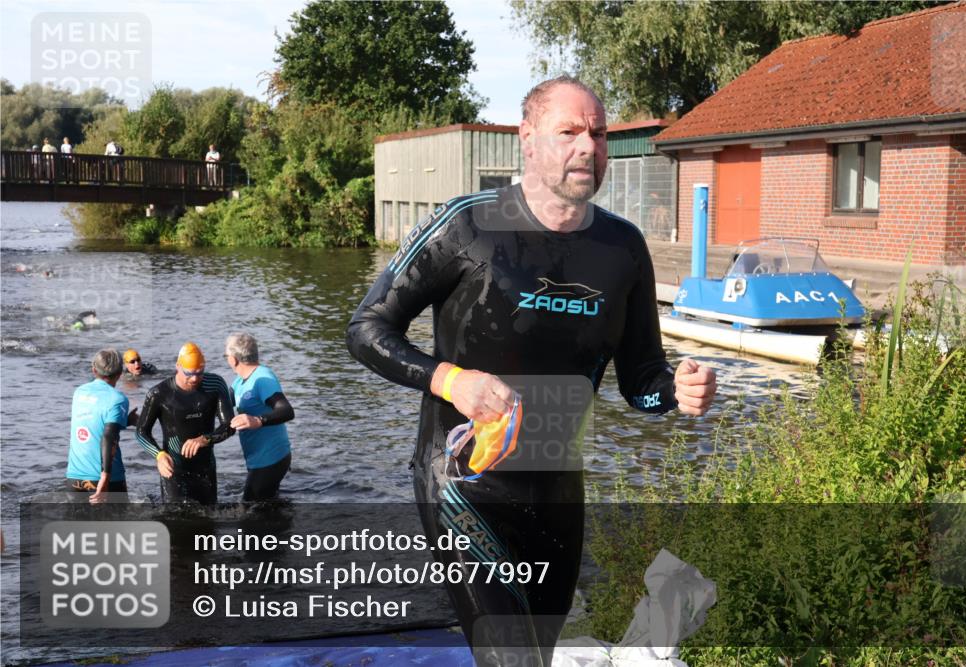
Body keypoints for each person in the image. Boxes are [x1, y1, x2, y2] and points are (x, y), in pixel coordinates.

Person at [346, 75, 717, 667]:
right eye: (568, 131)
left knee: (538, 658)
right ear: (528, 139)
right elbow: (365, 329)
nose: (587, 147)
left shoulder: (622, 248)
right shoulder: (468, 225)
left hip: (556, 491)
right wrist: (451, 380)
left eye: (597, 134)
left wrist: (676, 390)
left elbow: (640, 381)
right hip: (462, 480)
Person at [135, 342, 235, 504]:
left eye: (200, 373)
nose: (195, 378)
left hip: (205, 468)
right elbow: (141, 432)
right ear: (178, 366)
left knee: (209, 520)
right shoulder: (159, 394)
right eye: (189, 373)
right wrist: (159, 455)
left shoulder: (215, 385)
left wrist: (205, 439)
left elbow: (230, 426)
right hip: (174, 469)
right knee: (174, 519)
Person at [224, 332, 294, 501]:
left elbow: (286, 410)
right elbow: (221, 407)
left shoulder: (262, 379)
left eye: (226, 355)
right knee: (268, 508)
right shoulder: (239, 382)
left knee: (249, 513)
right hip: (260, 458)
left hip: (271, 459)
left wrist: (258, 420)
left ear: (233, 359)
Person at [66, 349, 134, 503]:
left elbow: (95, 423)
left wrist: (126, 421)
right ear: (120, 373)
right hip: (105, 479)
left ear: (93, 369)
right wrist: (105, 477)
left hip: (75, 478)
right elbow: (109, 436)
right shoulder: (118, 399)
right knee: (120, 526)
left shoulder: (79, 393)